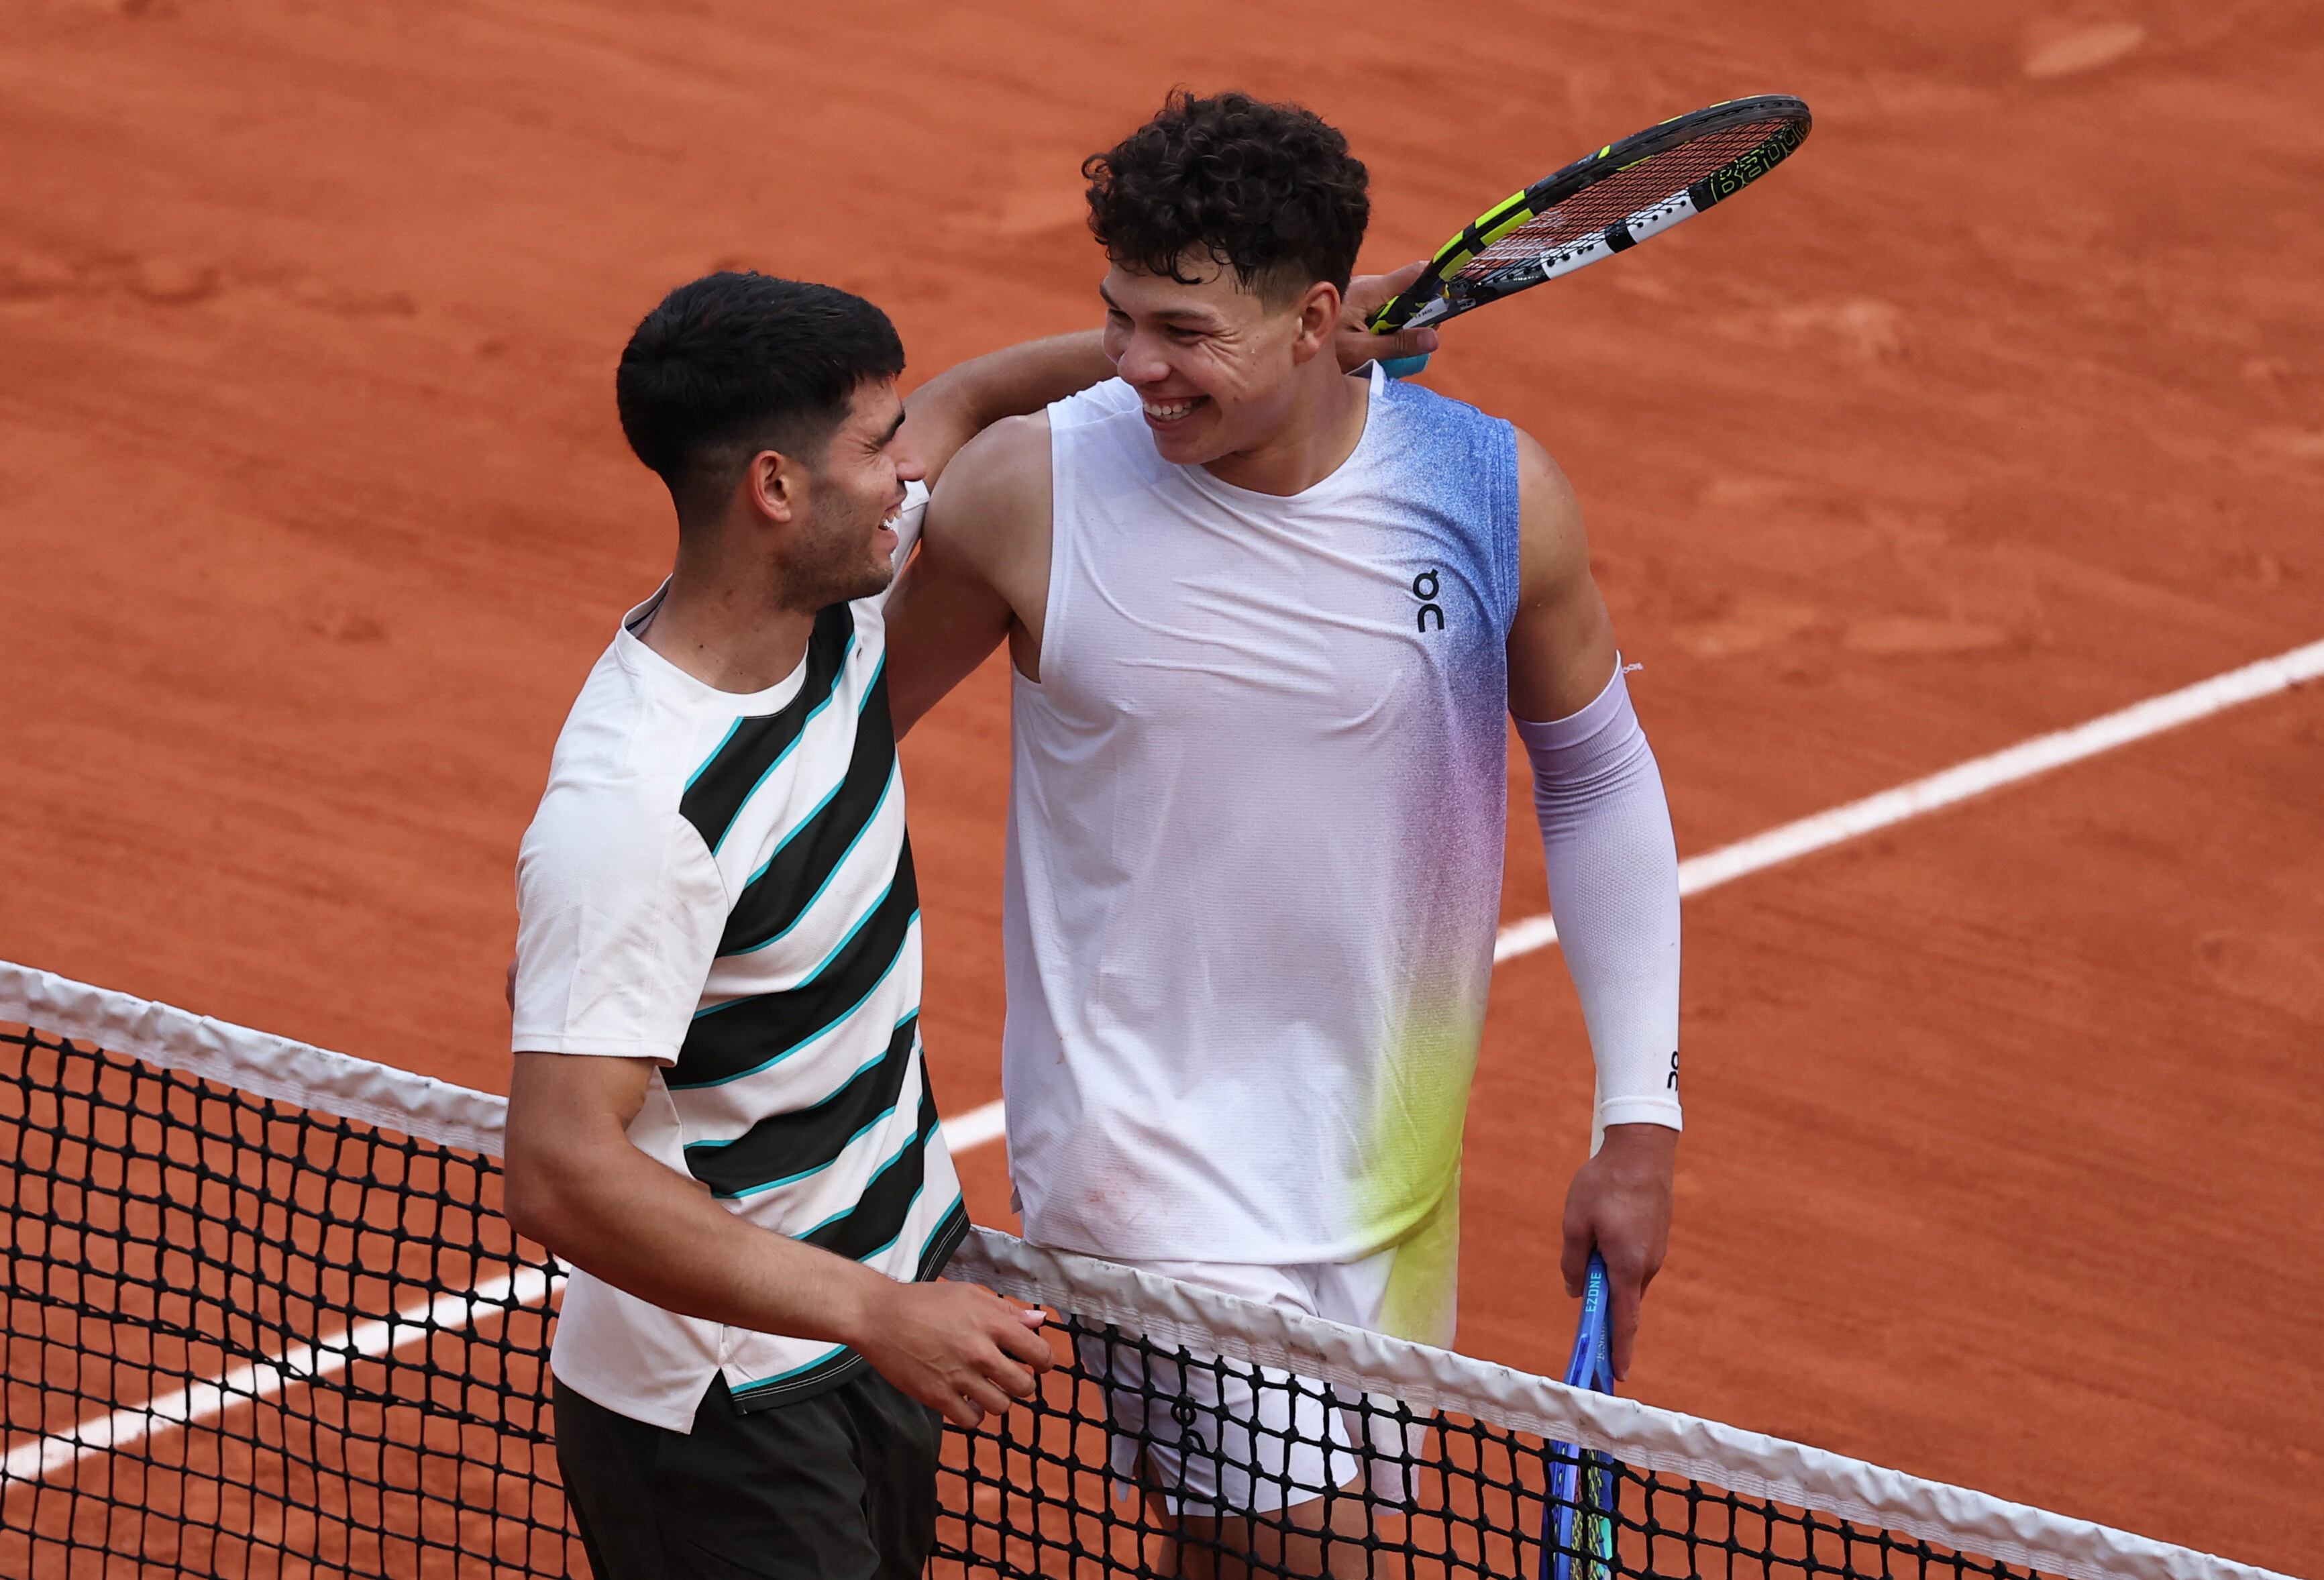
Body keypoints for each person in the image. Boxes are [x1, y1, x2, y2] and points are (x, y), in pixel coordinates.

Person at [500, 266, 1438, 1580]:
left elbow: (973, 395)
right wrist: (875, 1310)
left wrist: (1279, 343)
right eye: (876, 449)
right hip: (724, 1406)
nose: (910, 472)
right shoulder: (643, 808)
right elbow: (558, 1167)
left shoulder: (834, 612)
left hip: (861, 1336)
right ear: (775, 488)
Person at [885, 93, 1683, 1575]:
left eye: (1184, 332)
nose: (1135, 364)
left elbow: (1596, 781)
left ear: (1318, 318)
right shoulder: (1033, 494)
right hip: (1145, 1178)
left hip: (1389, 1170)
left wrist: (1638, 1122)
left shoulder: (1486, 493)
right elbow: (827, 744)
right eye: (1117, 318)